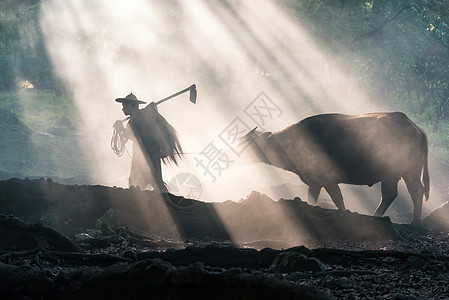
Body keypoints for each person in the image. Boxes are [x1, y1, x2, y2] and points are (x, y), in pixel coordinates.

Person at [112, 93, 182, 193]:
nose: (122, 109)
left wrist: (164, 146)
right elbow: (129, 136)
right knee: (135, 182)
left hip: (150, 154)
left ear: (130, 105)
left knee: (155, 181)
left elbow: (148, 132)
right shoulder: (131, 121)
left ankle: (166, 201)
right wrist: (120, 128)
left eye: (124, 106)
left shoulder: (143, 117)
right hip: (139, 157)